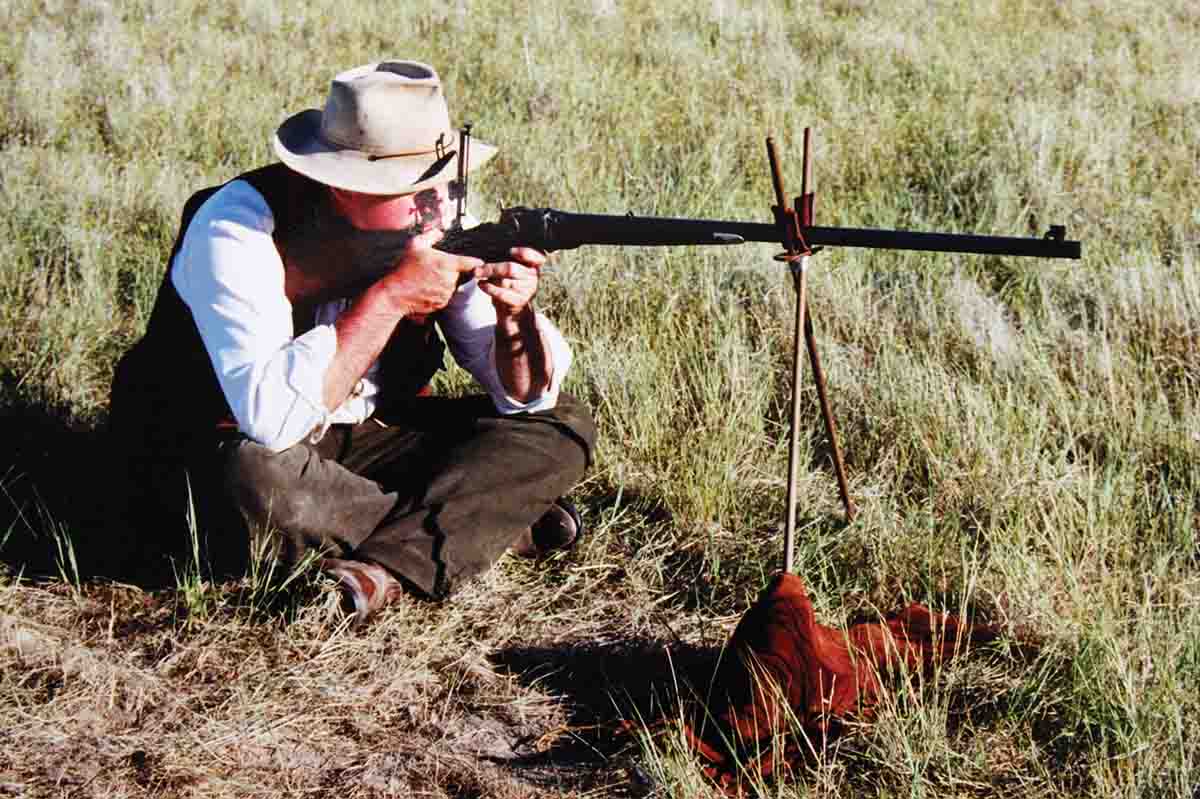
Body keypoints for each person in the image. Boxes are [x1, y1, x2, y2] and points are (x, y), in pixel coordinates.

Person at [110, 60, 596, 621]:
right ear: (343, 187)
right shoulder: (235, 228)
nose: (436, 202)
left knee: (559, 425)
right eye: (415, 185)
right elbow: (269, 421)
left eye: (444, 177)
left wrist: (516, 318)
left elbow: (523, 398)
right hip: (217, 449)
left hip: (364, 439)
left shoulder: (435, 218)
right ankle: (478, 527)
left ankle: (402, 554)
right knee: (254, 480)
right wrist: (389, 298)